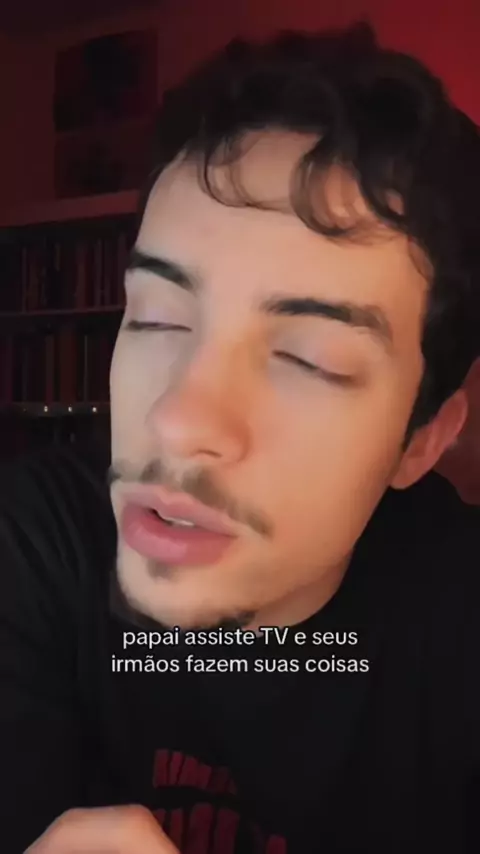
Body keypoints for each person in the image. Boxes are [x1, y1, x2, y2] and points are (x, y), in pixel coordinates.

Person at [2, 22, 480, 854]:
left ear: (421, 442)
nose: (178, 419)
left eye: (308, 358)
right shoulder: (33, 543)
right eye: (156, 319)